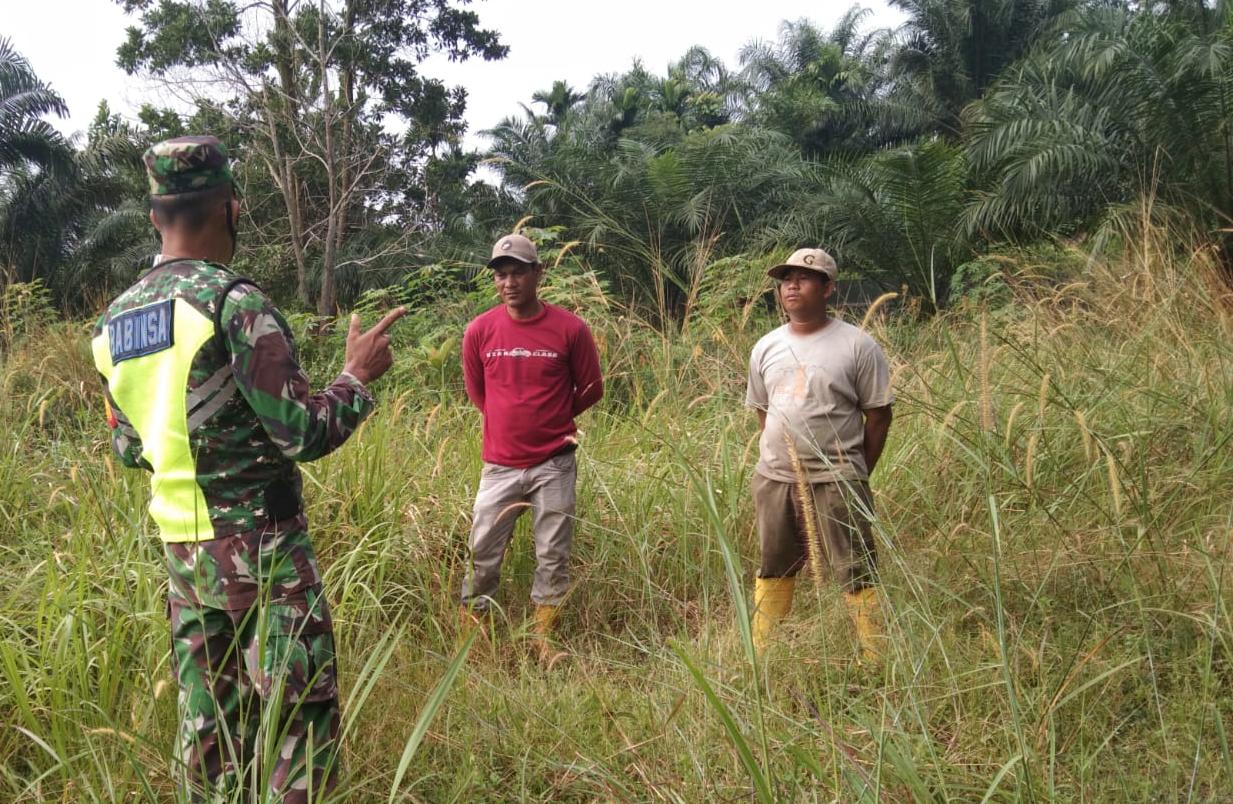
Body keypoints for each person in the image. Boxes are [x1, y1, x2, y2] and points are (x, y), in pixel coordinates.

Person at [90, 136, 405, 801]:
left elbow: (129, 446)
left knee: (210, 736)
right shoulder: (233, 303)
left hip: (184, 556)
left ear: (155, 215)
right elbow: (303, 433)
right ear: (231, 209)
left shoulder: (115, 323)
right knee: (299, 723)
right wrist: (357, 376)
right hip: (264, 553)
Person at [745, 247, 894, 662]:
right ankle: (764, 654)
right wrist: (782, 458)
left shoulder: (858, 345)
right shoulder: (765, 346)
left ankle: (874, 657)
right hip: (775, 477)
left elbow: (879, 416)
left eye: (804, 277)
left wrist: (855, 470)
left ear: (828, 288)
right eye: (785, 279)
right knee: (774, 563)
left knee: (855, 567)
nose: (791, 285)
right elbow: (763, 410)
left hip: (839, 478)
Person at [460, 233, 603, 661]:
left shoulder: (571, 328)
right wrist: (512, 423)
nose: (509, 282)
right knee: (482, 551)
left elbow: (591, 388)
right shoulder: (479, 330)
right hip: (500, 465)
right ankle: (475, 637)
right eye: (501, 274)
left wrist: (554, 418)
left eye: (518, 272)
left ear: (538, 273)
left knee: (552, 553)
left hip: (554, 463)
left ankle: (544, 640)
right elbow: (477, 393)